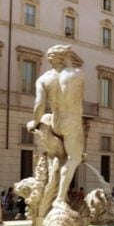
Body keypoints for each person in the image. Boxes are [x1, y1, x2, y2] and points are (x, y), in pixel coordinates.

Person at [26, 45, 85, 211]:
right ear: (66, 56)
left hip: (55, 121)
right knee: (74, 158)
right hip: (71, 122)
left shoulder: (44, 79)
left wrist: (35, 122)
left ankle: (52, 191)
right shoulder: (78, 74)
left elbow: (39, 106)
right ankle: (59, 199)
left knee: (58, 157)